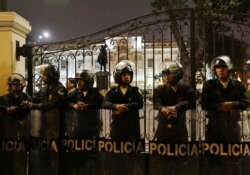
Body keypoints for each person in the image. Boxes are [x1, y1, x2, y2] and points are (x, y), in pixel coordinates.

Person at [201, 55, 249, 175]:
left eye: (223, 67)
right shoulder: (209, 85)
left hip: (232, 129)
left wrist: (233, 104)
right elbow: (205, 103)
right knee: (213, 161)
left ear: (229, 69)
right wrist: (224, 107)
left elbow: (246, 102)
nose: (221, 70)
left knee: (234, 161)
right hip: (214, 129)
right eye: (218, 67)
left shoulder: (237, 85)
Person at [153, 61, 195, 175]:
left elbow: (192, 102)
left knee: (181, 157)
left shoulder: (186, 88)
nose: (166, 77)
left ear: (177, 75)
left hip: (180, 127)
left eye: (169, 74)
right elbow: (156, 103)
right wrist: (163, 109)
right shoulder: (160, 89)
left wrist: (177, 107)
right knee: (163, 158)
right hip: (163, 127)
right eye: (165, 74)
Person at [102, 60, 143, 175]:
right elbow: (104, 103)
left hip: (132, 129)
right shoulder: (113, 91)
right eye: (125, 75)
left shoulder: (135, 90)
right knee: (117, 155)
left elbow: (140, 103)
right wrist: (115, 106)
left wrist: (126, 106)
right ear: (119, 76)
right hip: (117, 129)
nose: (127, 77)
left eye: (129, 75)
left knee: (131, 156)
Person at [28, 64, 67, 175]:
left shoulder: (60, 89)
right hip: (43, 126)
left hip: (57, 127)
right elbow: (35, 99)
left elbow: (52, 104)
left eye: (44, 75)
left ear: (51, 76)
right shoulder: (44, 89)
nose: (42, 77)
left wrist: (35, 106)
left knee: (56, 154)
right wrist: (27, 102)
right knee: (45, 154)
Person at [64, 69, 103, 175]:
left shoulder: (95, 92)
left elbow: (101, 102)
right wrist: (74, 105)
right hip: (79, 127)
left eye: (82, 80)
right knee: (78, 153)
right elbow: (66, 101)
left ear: (88, 81)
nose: (79, 82)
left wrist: (88, 106)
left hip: (92, 127)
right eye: (78, 80)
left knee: (92, 153)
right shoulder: (76, 92)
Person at [0, 73, 31, 175]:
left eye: (17, 84)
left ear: (22, 86)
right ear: (10, 85)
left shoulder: (27, 97)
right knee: (6, 159)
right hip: (7, 133)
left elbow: (26, 108)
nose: (15, 86)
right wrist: (5, 109)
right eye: (13, 84)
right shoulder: (3, 98)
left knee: (21, 159)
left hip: (22, 134)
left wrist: (15, 109)